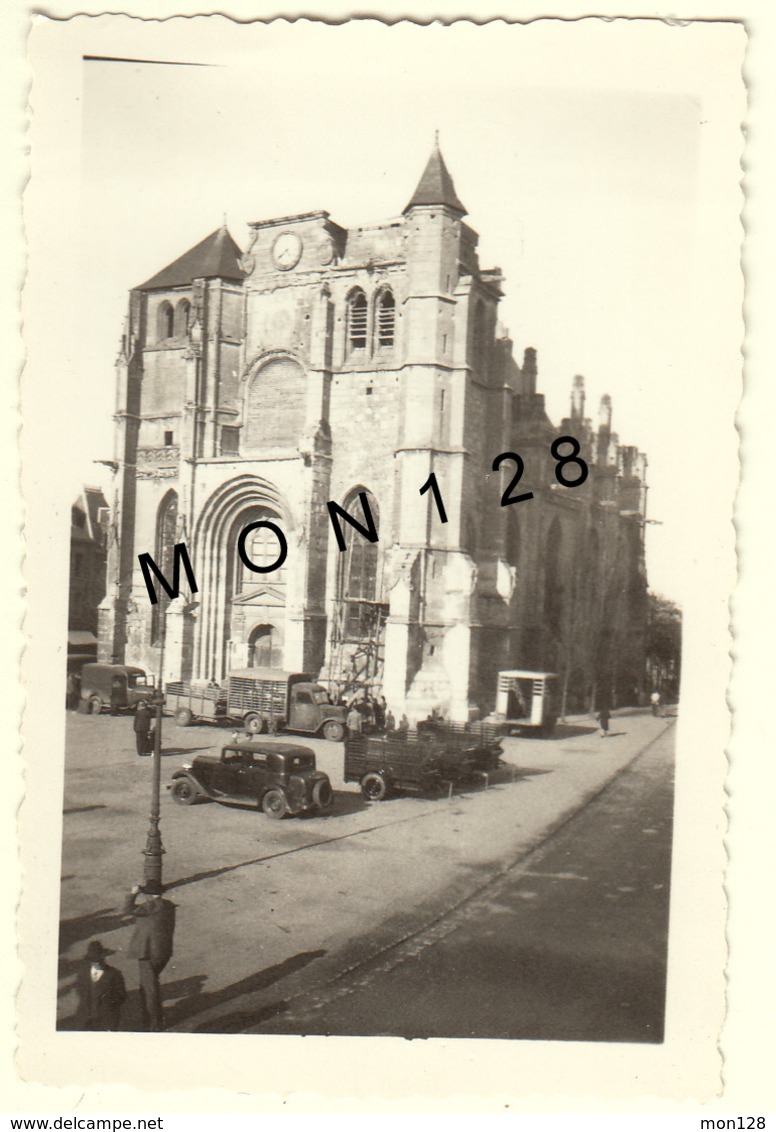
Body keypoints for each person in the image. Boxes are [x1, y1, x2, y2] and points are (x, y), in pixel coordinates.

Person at [122, 881, 176, 1032]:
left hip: (148, 953)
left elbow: (126, 909)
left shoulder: (150, 906)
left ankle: (153, 1024)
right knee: (150, 985)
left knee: (149, 989)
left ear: (147, 894)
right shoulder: (168, 905)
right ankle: (152, 1019)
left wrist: (133, 894)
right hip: (163, 951)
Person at [80, 941, 126, 1031]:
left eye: (99, 960)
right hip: (88, 1019)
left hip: (108, 1018)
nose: (97, 963)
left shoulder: (114, 974)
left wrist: (109, 1001)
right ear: (89, 961)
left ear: (103, 958)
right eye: (94, 961)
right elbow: (81, 993)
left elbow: (122, 996)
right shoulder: (83, 975)